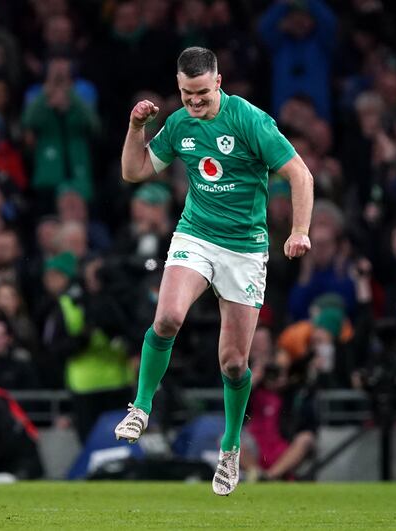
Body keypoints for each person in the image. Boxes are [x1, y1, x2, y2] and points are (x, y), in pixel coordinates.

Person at [114, 47, 314, 496]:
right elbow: (135, 171)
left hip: (244, 249)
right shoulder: (180, 123)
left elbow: (300, 175)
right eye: (186, 94)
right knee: (166, 318)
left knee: (234, 362)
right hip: (196, 236)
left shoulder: (250, 121)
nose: (194, 103)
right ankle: (141, 406)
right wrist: (135, 128)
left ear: (219, 82)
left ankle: (229, 448)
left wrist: (299, 230)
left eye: (202, 93)